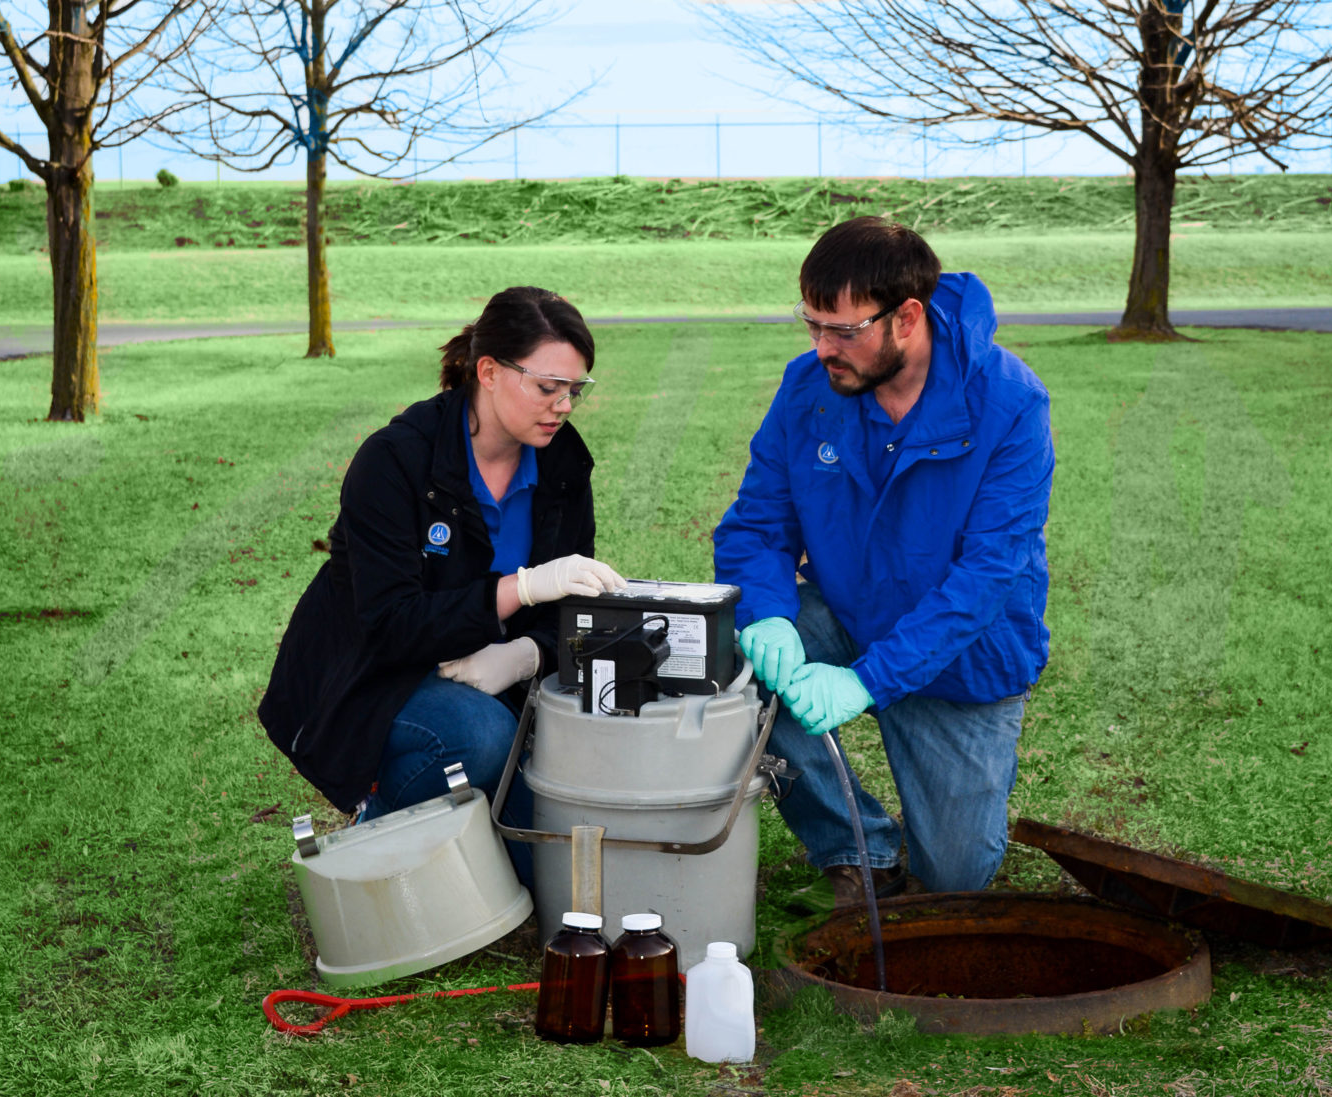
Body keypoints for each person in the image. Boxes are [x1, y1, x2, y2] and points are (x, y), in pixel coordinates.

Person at [713, 217, 1053, 905]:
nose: (822, 348)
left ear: (907, 317)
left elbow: (987, 578)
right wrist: (765, 617)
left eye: (843, 331)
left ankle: (927, 840)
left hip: (962, 656)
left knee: (955, 878)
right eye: (811, 324)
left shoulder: (1012, 404)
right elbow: (756, 524)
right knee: (723, 646)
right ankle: (858, 849)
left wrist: (868, 681)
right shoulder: (808, 387)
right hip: (844, 614)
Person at [259, 286, 625, 886]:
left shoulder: (562, 460)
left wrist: (527, 653)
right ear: (488, 371)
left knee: (559, 881)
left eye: (575, 391)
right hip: (375, 675)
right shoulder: (394, 460)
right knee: (481, 735)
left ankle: (472, 838)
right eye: (547, 387)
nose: (562, 406)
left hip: (495, 674)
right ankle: (372, 831)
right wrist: (522, 589)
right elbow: (392, 623)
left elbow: (572, 612)